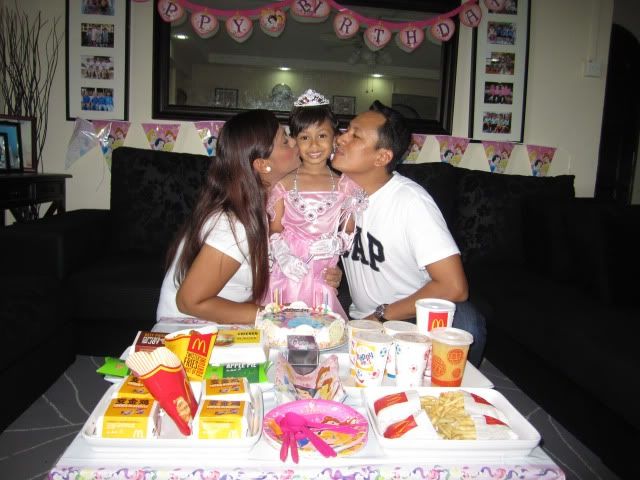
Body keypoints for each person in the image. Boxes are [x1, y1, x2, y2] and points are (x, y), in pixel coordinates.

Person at [330, 101, 487, 366]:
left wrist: (381, 316)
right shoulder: (341, 193)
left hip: (410, 315)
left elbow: (454, 287)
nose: (341, 138)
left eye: (355, 136)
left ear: (382, 158)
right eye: (347, 130)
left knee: (467, 321)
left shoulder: (411, 202)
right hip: (362, 316)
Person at [156, 109, 342, 324]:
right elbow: (189, 302)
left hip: (227, 321)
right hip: (188, 330)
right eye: (285, 141)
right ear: (262, 164)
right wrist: (276, 315)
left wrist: (322, 272)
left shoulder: (265, 206)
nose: (295, 142)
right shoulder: (234, 224)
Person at [261, 89, 367, 319]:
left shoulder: (345, 186)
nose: (314, 145)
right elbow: (275, 228)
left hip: (321, 272)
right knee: (279, 324)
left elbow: (348, 231)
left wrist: (336, 243)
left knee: (322, 328)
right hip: (287, 272)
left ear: (334, 138)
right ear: (295, 141)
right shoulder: (283, 184)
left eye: (322, 135)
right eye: (304, 137)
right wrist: (283, 255)